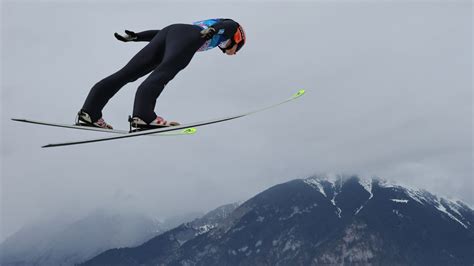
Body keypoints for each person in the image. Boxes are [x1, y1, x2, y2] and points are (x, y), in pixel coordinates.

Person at [76, 18, 246, 130]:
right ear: (237, 39)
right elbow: (230, 24)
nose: (228, 51)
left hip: (169, 32)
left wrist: (138, 37)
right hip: (187, 37)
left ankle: (90, 113)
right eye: (235, 49)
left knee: (126, 74)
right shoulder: (230, 29)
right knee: (163, 73)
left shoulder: (205, 29)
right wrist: (213, 30)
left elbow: (169, 33)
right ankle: (144, 116)